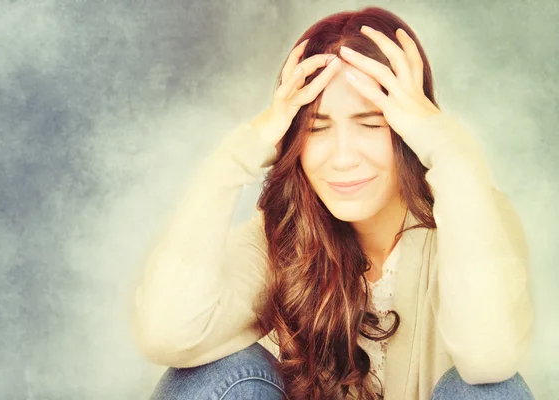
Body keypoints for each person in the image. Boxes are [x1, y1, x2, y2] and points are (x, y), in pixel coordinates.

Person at [131, 6, 536, 400]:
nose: (343, 158)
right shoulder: (285, 233)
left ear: (410, 129)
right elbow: (169, 335)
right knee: (211, 375)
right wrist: (235, 156)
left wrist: (451, 150)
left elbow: (489, 360)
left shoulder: (474, 218)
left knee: (492, 391)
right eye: (318, 128)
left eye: (370, 123)